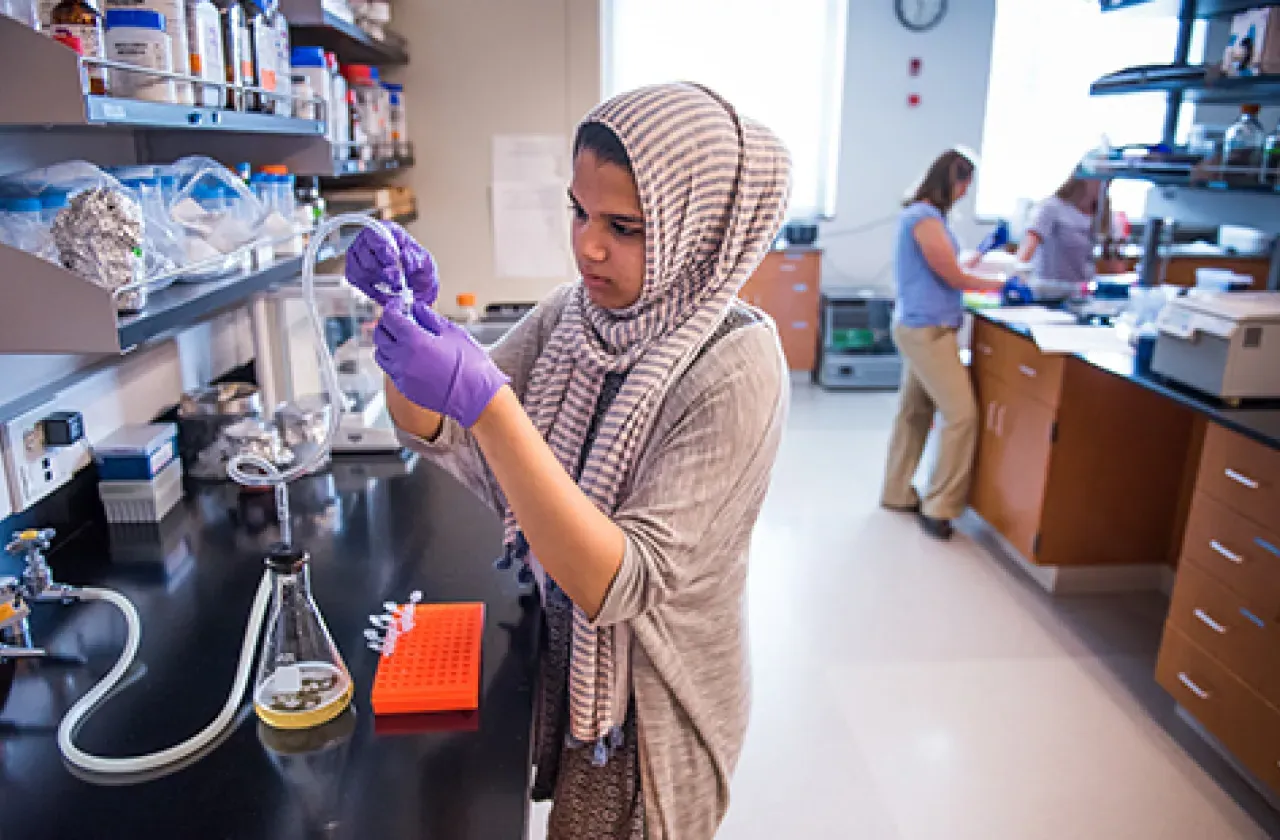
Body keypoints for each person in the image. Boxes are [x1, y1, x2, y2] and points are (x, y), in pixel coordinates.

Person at [344, 83, 791, 840]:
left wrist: (490, 404)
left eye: (625, 226)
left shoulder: (734, 367)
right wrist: (405, 326)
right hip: (567, 653)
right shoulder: (573, 316)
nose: (587, 244)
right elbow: (446, 431)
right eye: (579, 211)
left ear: (700, 233)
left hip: (647, 708)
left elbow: (619, 581)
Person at [880, 148, 1021, 540]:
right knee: (962, 416)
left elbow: (950, 267)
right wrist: (1002, 284)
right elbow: (951, 275)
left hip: (920, 325)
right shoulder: (924, 217)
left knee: (914, 412)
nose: (964, 194)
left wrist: (977, 262)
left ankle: (896, 491)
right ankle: (939, 506)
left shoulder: (926, 217)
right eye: (964, 186)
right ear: (952, 181)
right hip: (927, 330)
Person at [1016, 174, 1105, 283]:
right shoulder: (1051, 207)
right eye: (1100, 179)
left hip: (1083, 292)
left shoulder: (1102, 215)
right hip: (1049, 292)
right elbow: (1024, 254)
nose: (1105, 185)